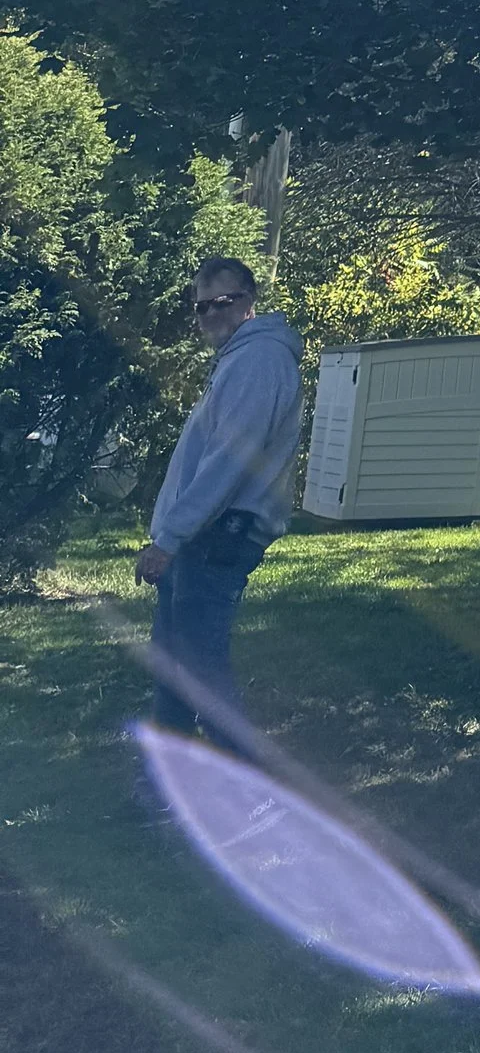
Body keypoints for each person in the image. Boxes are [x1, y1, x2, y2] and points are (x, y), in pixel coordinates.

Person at [135, 257, 303, 748]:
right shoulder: (239, 358)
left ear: (250, 301)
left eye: (222, 303)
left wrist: (169, 538)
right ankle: (174, 782)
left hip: (220, 532)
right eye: (200, 307)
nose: (209, 314)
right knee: (174, 661)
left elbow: (228, 463)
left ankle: (250, 797)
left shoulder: (259, 360)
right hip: (205, 533)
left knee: (199, 667)